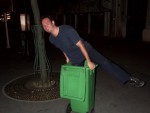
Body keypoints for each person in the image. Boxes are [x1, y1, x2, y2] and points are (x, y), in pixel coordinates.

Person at [41, 15, 145, 87]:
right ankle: (79, 97)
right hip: (75, 56)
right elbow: (61, 47)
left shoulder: (67, 30)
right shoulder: (51, 39)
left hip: (86, 49)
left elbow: (81, 45)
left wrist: (89, 61)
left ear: (53, 22)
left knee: (106, 63)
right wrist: (66, 57)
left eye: (47, 23)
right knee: (77, 77)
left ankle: (129, 79)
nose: (46, 26)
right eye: (44, 26)